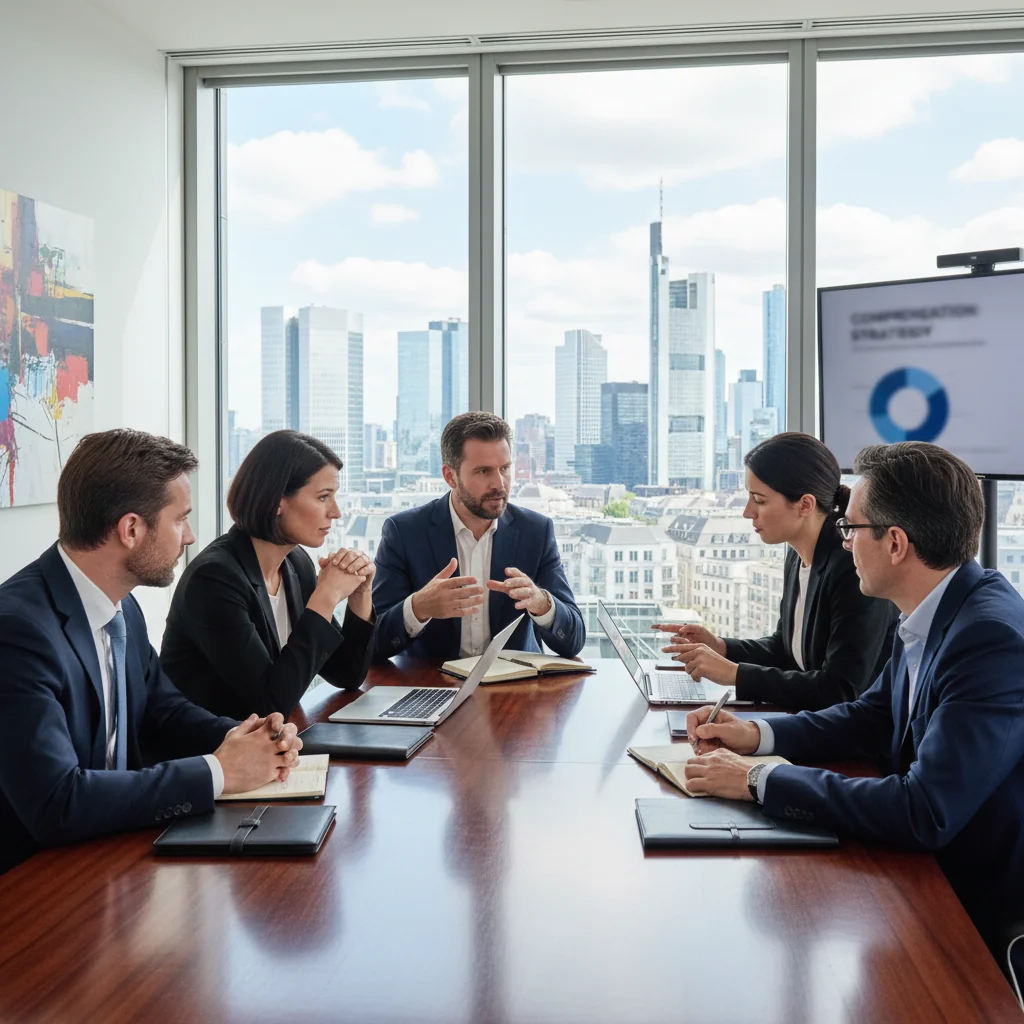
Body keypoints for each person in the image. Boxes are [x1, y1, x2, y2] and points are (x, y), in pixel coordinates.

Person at [682, 441, 1024, 974]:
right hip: (924, 876)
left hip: (974, 913)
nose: (843, 541)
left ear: (895, 543)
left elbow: (924, 810)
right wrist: (756, 734)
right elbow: (871, 716)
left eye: (852, 528)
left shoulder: (988, 638)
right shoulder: (936, 606)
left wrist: (758, 779)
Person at [0, 429, 303, 874]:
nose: (190, 536)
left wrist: (254, 739)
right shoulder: (18, 630)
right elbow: (56, 802)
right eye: (180, 520)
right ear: (131, 530)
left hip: (112, 850)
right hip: (35, 878)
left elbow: (164, 711)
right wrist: (219, 772)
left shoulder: (122, 607)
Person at [654, 432, 897, 710]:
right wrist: (720, 647)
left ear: (805, 505)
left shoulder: (852, 565)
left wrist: (735, 674)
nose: (747, 512)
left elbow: (840, 689)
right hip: (812, 719)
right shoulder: (797, 554)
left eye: (759, 500)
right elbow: (785, 649)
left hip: (856, 730)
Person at [161, 430, 375, 720]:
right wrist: (326, 597)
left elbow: (347, 674)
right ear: (277, 501)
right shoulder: (214, 579)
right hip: (210, 743)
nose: (336, 512)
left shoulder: (296, 563)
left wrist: (361, 595)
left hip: (268, 739)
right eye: (323, 497)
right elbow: (270, 702)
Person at [372, 411, 585, 661]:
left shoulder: (536, 531)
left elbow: (574, 641)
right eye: (484, 471)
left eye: (505, 468)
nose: (499, 484)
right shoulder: (404, 532)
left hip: (515, 682)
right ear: (450, 476)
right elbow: (373, 644)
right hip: (432, 681)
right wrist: (418, 608)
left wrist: (542, 604)